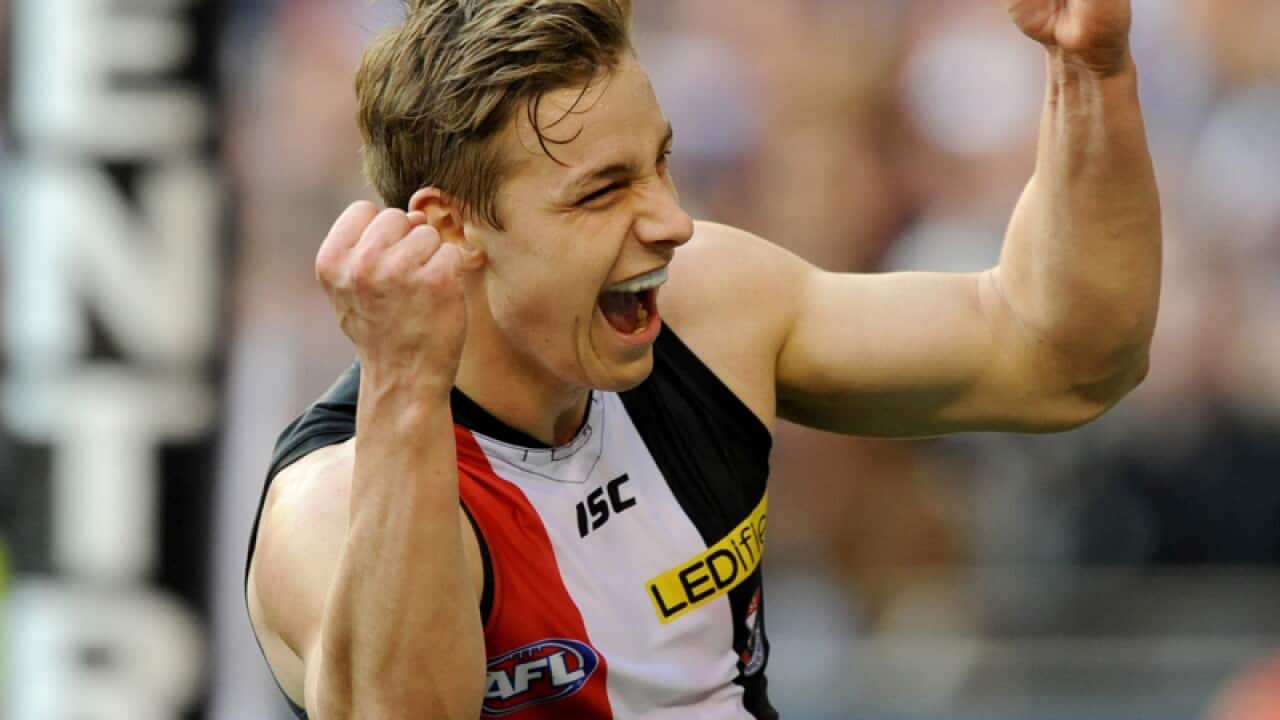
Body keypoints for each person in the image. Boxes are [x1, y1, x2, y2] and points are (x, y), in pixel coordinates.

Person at [244, 1, 1162, 718]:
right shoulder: (328, 502)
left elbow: (1063, 359)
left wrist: (1090, 70)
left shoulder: (703, 309)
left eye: (661, 163)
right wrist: (406, 382)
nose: (672, 221)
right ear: (453, 228)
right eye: (602, 192)